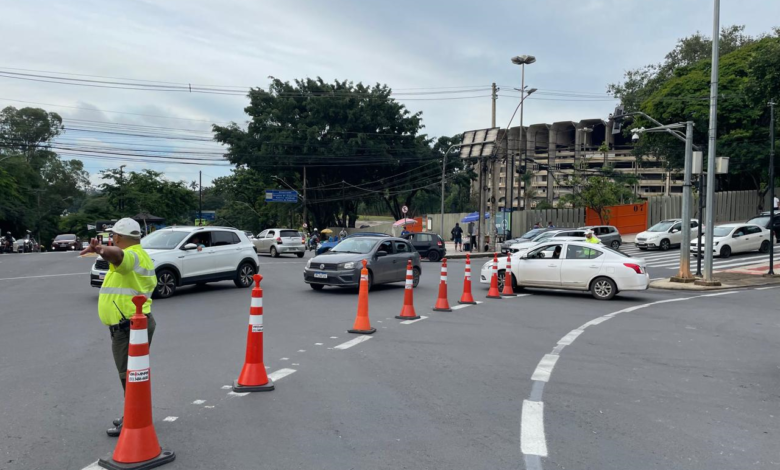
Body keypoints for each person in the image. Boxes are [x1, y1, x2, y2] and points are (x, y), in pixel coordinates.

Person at [79, 218, 157, 437]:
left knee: (130, 375)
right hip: (128, 326)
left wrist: (100, 249)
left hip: (129, 327)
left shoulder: (133, 256)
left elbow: (120, 256)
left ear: (119, 237)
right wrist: (103, 251)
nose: (112, 240)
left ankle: (135, 417)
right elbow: (118, 258)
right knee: (131, 374)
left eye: (113, 237)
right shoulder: (136, 256)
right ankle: (135, 414)